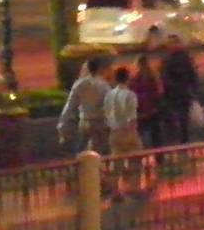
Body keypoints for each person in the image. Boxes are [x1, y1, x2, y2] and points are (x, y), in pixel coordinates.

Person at [56, 56, 111, 156]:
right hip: (100, 123)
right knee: (101, 152)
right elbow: (109, 106)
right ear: (100, 68)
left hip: (84, 122)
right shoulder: (104, 85)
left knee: (82, 152)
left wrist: (62, 125)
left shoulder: (79, 84)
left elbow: (70, 106)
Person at [104, 65, 144, 196]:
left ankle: (115, 190)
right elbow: (132, 117)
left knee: (116, 163)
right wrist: (133, 132)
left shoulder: (109, 95)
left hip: (114, 131)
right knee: (135, 159)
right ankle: (134, 187)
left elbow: (106, 113)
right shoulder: (130, 95)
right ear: (128, 78)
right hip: (127, 131)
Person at [160, 35, 199, 145]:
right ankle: (184, 141)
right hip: (184, 94)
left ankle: (176, 141)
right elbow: (193, 76)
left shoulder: (168, 60)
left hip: (174, 95)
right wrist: (193, 90)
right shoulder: (186, 58)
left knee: (175, 119)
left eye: (170, 43)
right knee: (183, 119)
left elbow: (165, 78)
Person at [131, 51, 164, 149]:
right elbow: (159, 91)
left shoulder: (136, 78)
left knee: (142, 134)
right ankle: (158, 154)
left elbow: (133, 92)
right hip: (153, 110)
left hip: (142, 110)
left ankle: (144, 152)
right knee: (156, 135)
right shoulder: (153, 75)